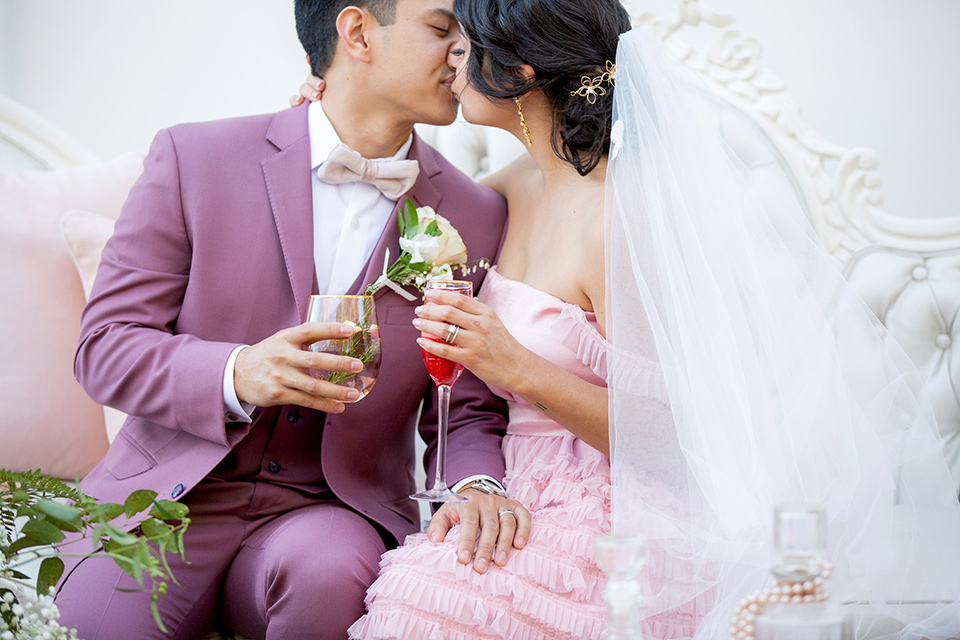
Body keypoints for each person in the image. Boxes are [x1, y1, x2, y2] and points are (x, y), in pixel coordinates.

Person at [302, 0, 960, 638]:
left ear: (521, 72)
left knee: (421, 604)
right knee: (416, 592)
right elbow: (406, 187)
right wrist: (331, 111)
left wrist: (519, 368)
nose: (451, 59)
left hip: (624, 513)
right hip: (517, 489)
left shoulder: (623, 215)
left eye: (465, 45)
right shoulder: (510, 188)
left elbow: (681, 440)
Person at [53, 1, 533, 639]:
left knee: (329, 577)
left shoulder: (477, 215)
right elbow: (104, 348)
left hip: (332, 511)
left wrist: (474, 484)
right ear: (358, 32)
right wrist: (237, 372)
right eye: (442, 30)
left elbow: (469, 401)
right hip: (163, 503)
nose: (462, 53)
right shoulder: (193, 157)